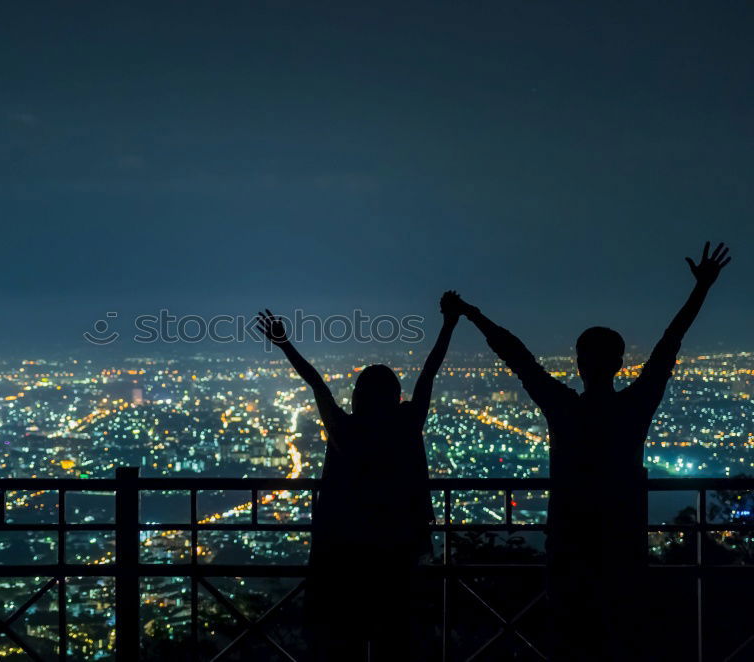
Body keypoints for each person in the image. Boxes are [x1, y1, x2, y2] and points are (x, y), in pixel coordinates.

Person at [447, 242, 731, 660]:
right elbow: (670, 342)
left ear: (578, 363)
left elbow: (516, 354)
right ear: (619, 363)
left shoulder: (563, 408)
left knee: (569, 645)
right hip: (624, 552)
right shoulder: (634, 407)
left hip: (569, 552)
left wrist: (469, 312)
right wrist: (701, 289)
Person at [256, 292, 461, 661]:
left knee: (343, 640)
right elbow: (430, 371)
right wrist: (448, 324)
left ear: (358, 397)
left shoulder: (344, 431)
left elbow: (316, 383)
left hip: (344, 551)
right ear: (396, 397)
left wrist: (285, 344)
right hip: (398, 548)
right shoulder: (407, 424)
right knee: (395, 638)